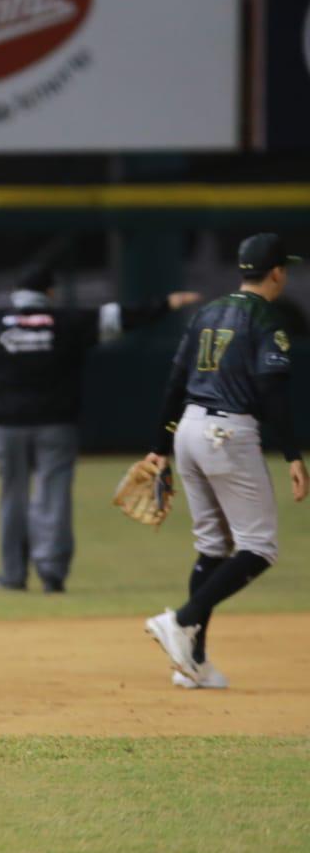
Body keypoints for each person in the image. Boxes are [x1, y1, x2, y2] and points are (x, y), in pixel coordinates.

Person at [0, 269, 199, 592]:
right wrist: (167, 303)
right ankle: (52, 573)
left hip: (8, 426)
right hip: (56, 424)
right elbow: (123, 316)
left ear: (16, 293)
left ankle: (13, 575)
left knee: (11, 498)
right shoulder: (69, 322)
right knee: (53, 494)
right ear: (51, 293)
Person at [141, 233, 307, 689]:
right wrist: (293, 453)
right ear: (276, 272)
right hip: (227, 434)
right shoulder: (266, 318)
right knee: (259, 547)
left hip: (189, 430)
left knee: (214, 547)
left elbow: (175, 381)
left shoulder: (207, 313)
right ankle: (182, 620)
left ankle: (192, 662)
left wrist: (159, 444)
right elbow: (272, 391)